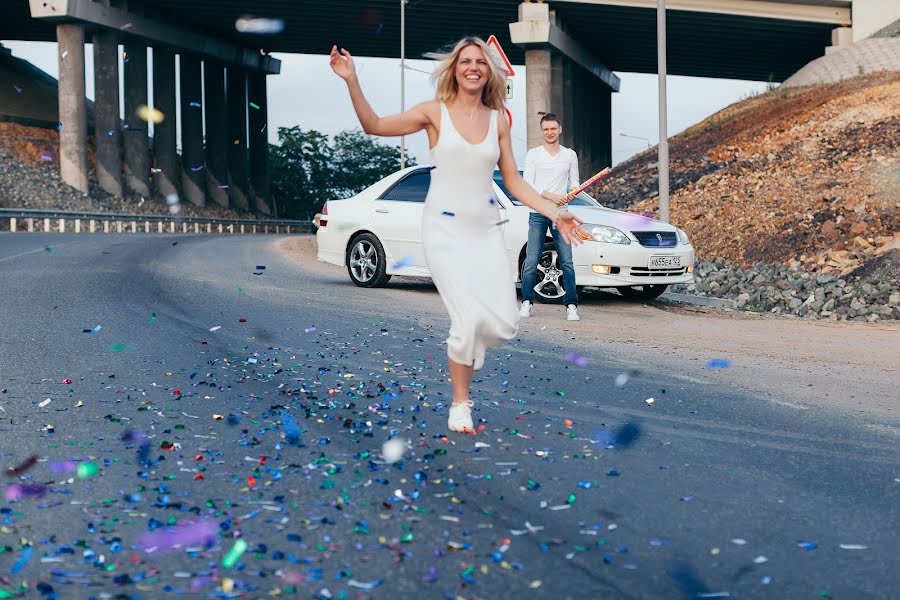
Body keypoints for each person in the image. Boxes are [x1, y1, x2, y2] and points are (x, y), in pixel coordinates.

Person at [329, 38, 583, 433]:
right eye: (465, 61)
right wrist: (351, 80)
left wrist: (555, 211)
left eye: (480, 61)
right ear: (454, 69)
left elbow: (514, 182)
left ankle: (468, 344)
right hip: (443, 228)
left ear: (489, 71)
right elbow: (374, 125)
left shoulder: (497, 119)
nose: (472, 67)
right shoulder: (434, 113)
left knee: (502, 325)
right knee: (465, 319)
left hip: (484, 227)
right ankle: (461, 403)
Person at [519, 113, 581, 321]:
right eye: (546, 129)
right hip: (538, 212)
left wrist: (572, 193)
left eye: (553, 128)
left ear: (560, 129)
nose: (549, 132)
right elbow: (528, 184)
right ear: (541, 131)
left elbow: (574, 184)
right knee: (531, 260)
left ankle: (571, 305)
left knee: (567, 261)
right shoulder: (533, 154)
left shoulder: (570, 155)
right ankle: (526, 302)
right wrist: (549, 194)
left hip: (560, 215)